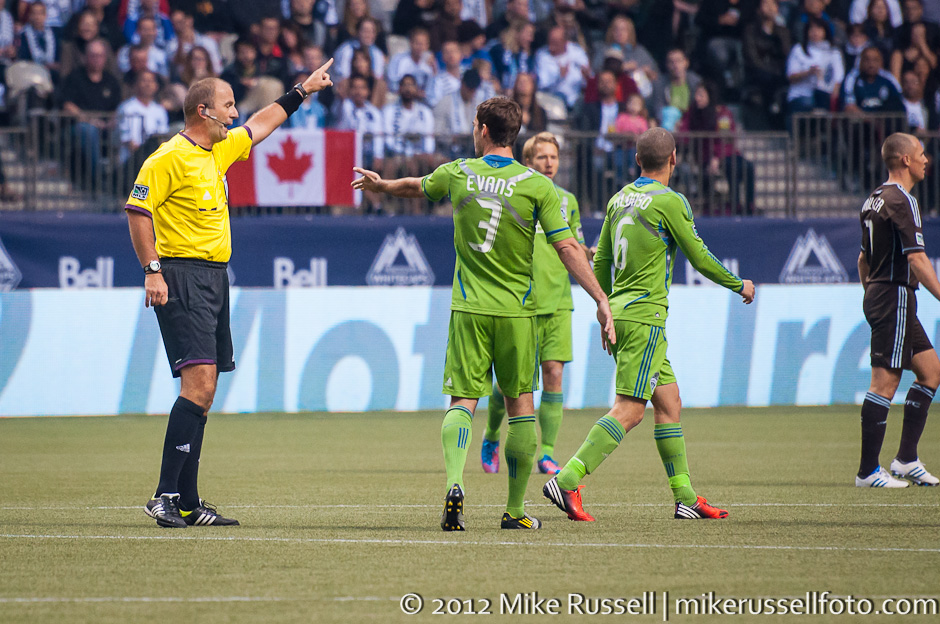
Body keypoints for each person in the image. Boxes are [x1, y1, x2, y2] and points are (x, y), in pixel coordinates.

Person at [352, 97, 615, 531]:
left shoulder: (459, 173)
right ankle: (514, 511)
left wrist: (382, 186)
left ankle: (455, 483)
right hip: (517, 314)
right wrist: (600, 297)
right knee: (521, 407)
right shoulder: (538, 186)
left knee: (462, 401)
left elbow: (417, 186)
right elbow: (568, 246)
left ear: (484, 130)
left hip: (469, 309)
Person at [125, 58, 335, 528]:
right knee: (198, 386)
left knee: (206, 390)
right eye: (228, 105)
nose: (236, 114)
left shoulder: (217, 152)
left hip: (214, 278)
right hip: (181, 275)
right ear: (204, 111)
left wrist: (303, 90)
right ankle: (163, 495)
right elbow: (138, 212)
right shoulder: (167, 158)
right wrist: (152, 271)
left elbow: (262, 124)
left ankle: (188, 502)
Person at [544, 127, 756, 522]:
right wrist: (737, 284)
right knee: (630, 409)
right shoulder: (670, 201)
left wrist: (604, 306)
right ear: (674, 159)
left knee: (669, 403)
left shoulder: (618, 199)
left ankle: (685, 498)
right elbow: (699, 255)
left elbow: (601, 259)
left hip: (622, 313)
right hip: (644, 318)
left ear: (638, 160)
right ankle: (568, 479)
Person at [481, 131, 591, 476]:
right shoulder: (517, 194)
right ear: (527, 161)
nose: (549, 163)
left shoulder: (568, 201)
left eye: (553, 157)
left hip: (558, 301)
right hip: (522, 302)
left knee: (554, 373)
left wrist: (589, 254)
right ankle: (491, 435)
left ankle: (547, 453)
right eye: (542, 157)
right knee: (511, 382)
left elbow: (575, 244)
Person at [856, 132, 940, 487]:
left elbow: (863, 259)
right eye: (921, 153)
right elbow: (917, 259)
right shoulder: (903, 200)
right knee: (885, 382)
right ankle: (868, 471)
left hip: (882, 294)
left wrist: (871, 294)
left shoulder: (873, 199)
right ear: (905, 159)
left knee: (931, 371)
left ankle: (906, 459)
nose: (926, 159)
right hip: (894, 295)